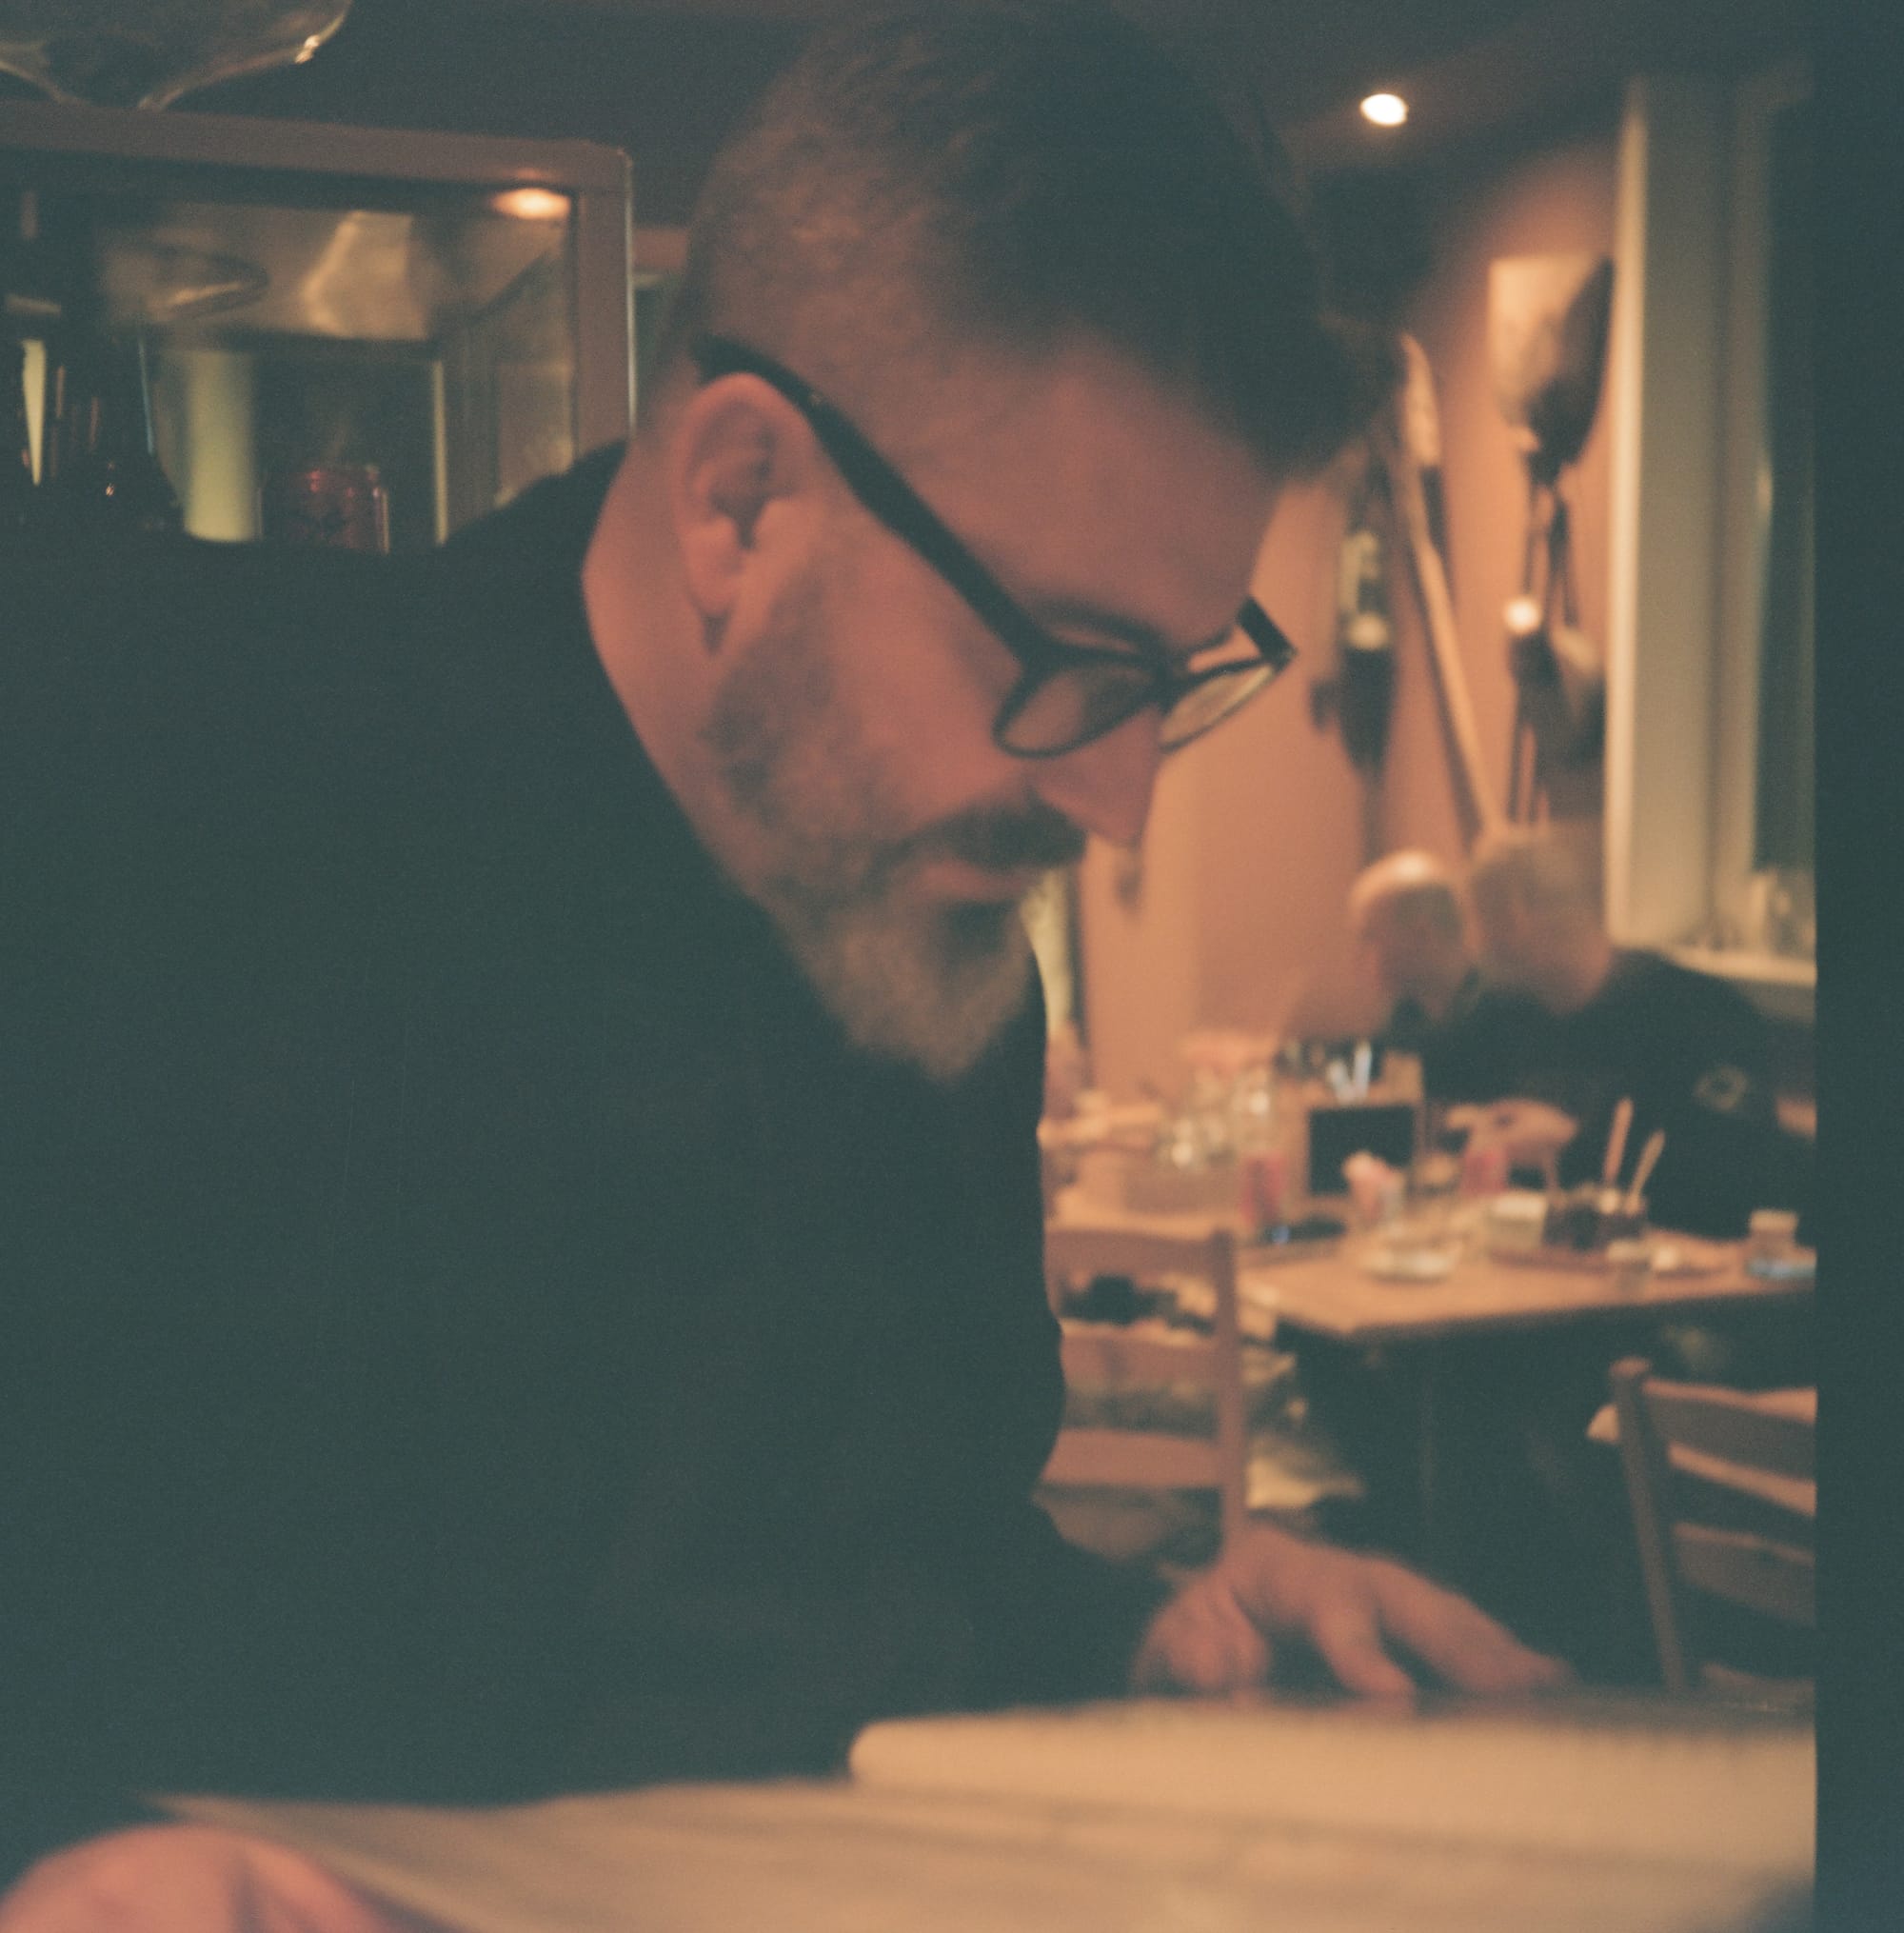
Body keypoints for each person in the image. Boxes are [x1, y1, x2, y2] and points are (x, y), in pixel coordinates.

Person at [0, 2, 1565, 1905]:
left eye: (1167, 681)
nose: (1119, 803)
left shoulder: (949, 977)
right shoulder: (146, 788)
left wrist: (1150, 1637)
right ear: (741, 502)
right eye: (1065, 661)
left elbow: (898, 1599)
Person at [1454, 826, 1809, 1238]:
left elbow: (1725, 1185)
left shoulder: (1700, 1016)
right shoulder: (1505, 1011)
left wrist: (1571, 1145)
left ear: (1519, 919)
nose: (1471, 945)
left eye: (1476, 922)